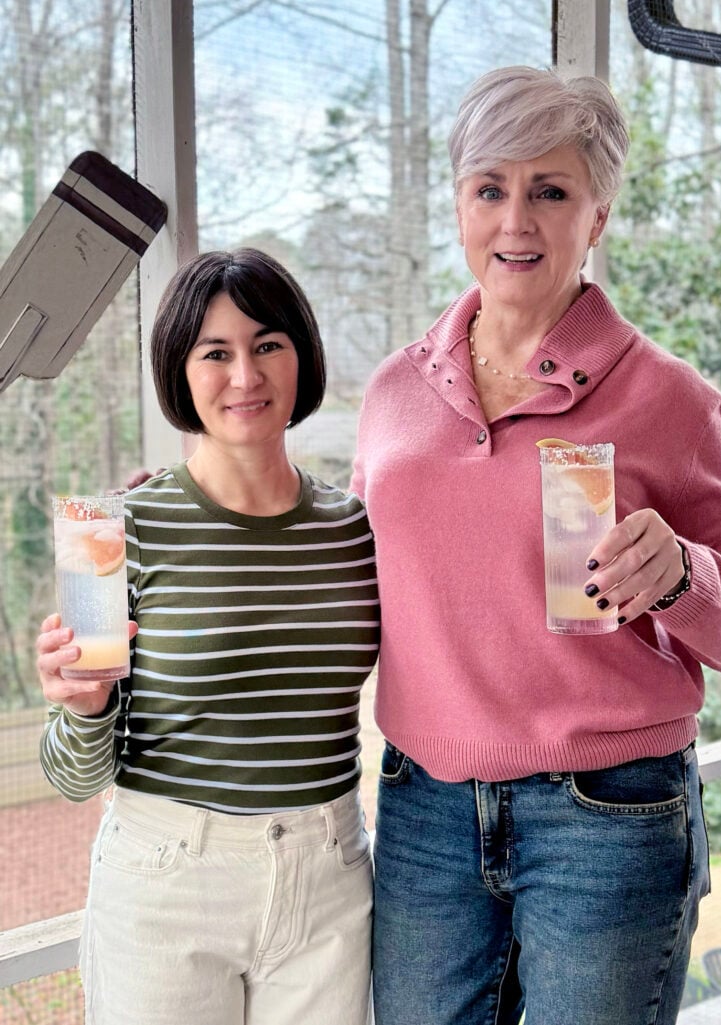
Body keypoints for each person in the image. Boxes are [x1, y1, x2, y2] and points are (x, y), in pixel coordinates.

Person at [350, 66, 721, 1025]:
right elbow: (350, 579)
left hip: (607, 816)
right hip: (424, 809)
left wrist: (683, 576)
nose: (514, 222)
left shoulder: (668, 400)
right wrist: (193, 519)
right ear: (457, 203)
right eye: (489, 188)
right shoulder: (391, 395)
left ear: (599, 215)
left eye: (550, 191)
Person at [36, 248, 379, 1025]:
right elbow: (72, 776)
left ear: (301, 357)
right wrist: (85, 706)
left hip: (329, 875)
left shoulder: (352, 527)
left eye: (267, 345)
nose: (245, 376)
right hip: (167, 884)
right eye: (214, 352)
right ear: (180, 372)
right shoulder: (111, 531)